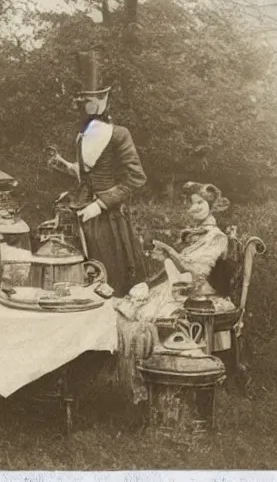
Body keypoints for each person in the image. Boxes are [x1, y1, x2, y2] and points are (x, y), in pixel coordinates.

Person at [113, 182, 233, 403]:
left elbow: (197, 273)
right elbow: (175, 269)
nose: (194, 207)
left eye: (200, 203)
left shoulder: (217, 237)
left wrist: (169, 252)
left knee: (155, 316)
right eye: (191, 204)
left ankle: (172, 377)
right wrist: (149, 283)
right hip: (182, 284)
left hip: (202, 291)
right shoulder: (194, 234)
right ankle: (149, 378)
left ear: (211, 206)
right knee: (131, 308)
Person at [47, 51, 147, 297]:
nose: (81, 106)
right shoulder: (83, 134)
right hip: (82, 214)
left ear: (102, 101)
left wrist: (101, 204)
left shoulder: (119, 134)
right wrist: (63, 164)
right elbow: (88, 173)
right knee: (79, 279)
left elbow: (136, 178)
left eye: (87, 100)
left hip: (109, 220)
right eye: (81, 101)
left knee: (111, 280)